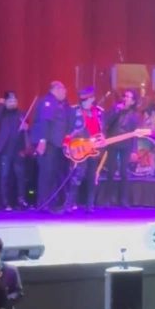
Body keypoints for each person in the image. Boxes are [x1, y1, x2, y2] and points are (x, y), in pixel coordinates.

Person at [31, 81, 72, 211]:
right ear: (56, 89)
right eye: (63, 89)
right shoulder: (48, 102)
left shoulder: (62, 104)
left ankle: (51, 203)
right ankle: (43, 203)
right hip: (48, 144)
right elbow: (44, 122)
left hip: (57, 145)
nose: (65, 92)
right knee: (46, 174)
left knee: (53, 174)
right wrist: (42, 141)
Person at [63, 86, 104, 214]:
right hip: (79, 148)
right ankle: (69, 204)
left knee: (92, 176)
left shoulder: (98, 112)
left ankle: (90, 205)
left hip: (94, 148)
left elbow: (102, 129)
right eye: (83, 99)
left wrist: (103, 138)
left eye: (88, 98)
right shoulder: (73, 111)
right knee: (77, 176)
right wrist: (66, 146)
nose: (86, 101)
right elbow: (67, 130)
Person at [0, 91, 29, 210]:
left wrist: (26, 128)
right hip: (5, 150)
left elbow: (26, 132)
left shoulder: (22, 114)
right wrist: (0, 104)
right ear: (6, 102)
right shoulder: (2, 113)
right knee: (5, 176)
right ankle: (5, 202)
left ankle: (21, 199)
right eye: (10, 101)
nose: (13, 103)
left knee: (20, 176)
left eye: (15, 101)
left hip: (18, 150)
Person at [104, 89, 140, 207]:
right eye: (125, 96)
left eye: (129, 97)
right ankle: (108, 198)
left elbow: (135, 133)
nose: (126, 98)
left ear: (133, 101)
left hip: (126, 145)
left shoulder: (134, 115)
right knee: (111, 171)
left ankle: (123, 200)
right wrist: (116, 111)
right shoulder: (115, 109)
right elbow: (107, 122)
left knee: (124, 172)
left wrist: (134, 150)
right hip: (113, 142)